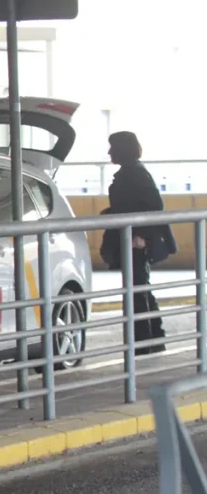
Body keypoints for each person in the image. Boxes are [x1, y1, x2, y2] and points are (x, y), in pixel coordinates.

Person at [104, 131, 174, 354]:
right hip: (133, 237)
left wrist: (142, 235)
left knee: (137, 291)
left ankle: (144, 341)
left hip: (136, 240)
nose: (109, 152)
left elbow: (154, 206)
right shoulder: (133, 172)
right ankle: (152, 338)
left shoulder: (134, 174)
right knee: (140, 289)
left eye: (112, 147)